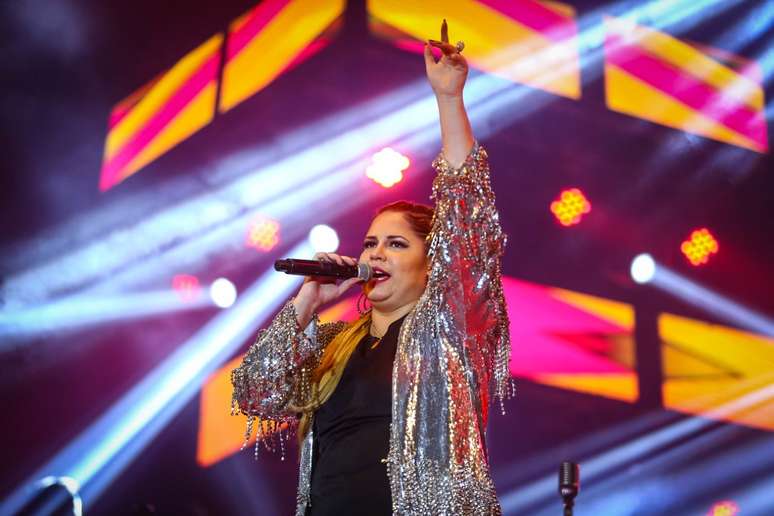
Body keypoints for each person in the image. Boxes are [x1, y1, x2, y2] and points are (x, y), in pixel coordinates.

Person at [231, 20, 512, 515]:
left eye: (396, 244)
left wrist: (448, 98)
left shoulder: (449, 331)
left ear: (432, 264)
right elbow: (256, 392)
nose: (375, 253)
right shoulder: (336, 345)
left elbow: (468, 218)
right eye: (369, 243)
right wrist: (306, 304)